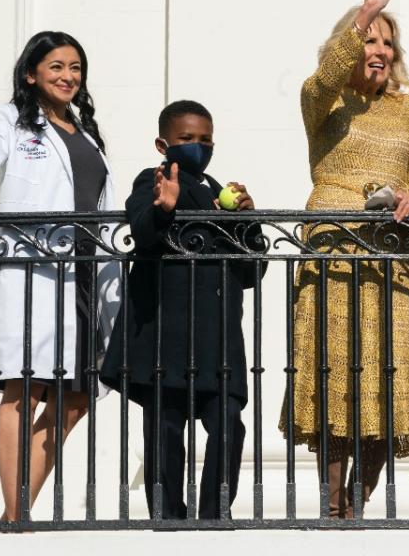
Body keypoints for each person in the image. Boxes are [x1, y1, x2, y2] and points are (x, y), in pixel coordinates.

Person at [0, 31, 121, 521]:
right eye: (56, 67)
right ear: (31, 74)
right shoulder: (14, 122)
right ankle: (17, 513)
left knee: (76, 398)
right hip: (31, 274)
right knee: (23, 388)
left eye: (75, 68)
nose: (68, 76)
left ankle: (12, 515)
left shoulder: (85, 132)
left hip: (83, 276)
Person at [278, 0, 409, 518]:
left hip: (391, 253)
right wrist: (365, 13)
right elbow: (321, 80)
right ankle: (331, 502)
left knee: (387, 376)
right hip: (335, 245)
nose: (380, 50)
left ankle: (357, 506)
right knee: (335, 372)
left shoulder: (406, 110)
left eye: (388, 42)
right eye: (371, 39)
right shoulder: (324, 101)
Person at [99, 100, 263, 519]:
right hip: (166, 333)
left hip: (219, 335)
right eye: (186, 139)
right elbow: (142, 231)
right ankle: (168, 516)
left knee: (229, 423)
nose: (197, 146)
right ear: (163, 143)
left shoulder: (220, 191)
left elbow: (250, 270)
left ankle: (213, 516)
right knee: (166, 428)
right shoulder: (152, 178)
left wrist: (248, 220)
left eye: (205, 139)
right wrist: (163, 206)